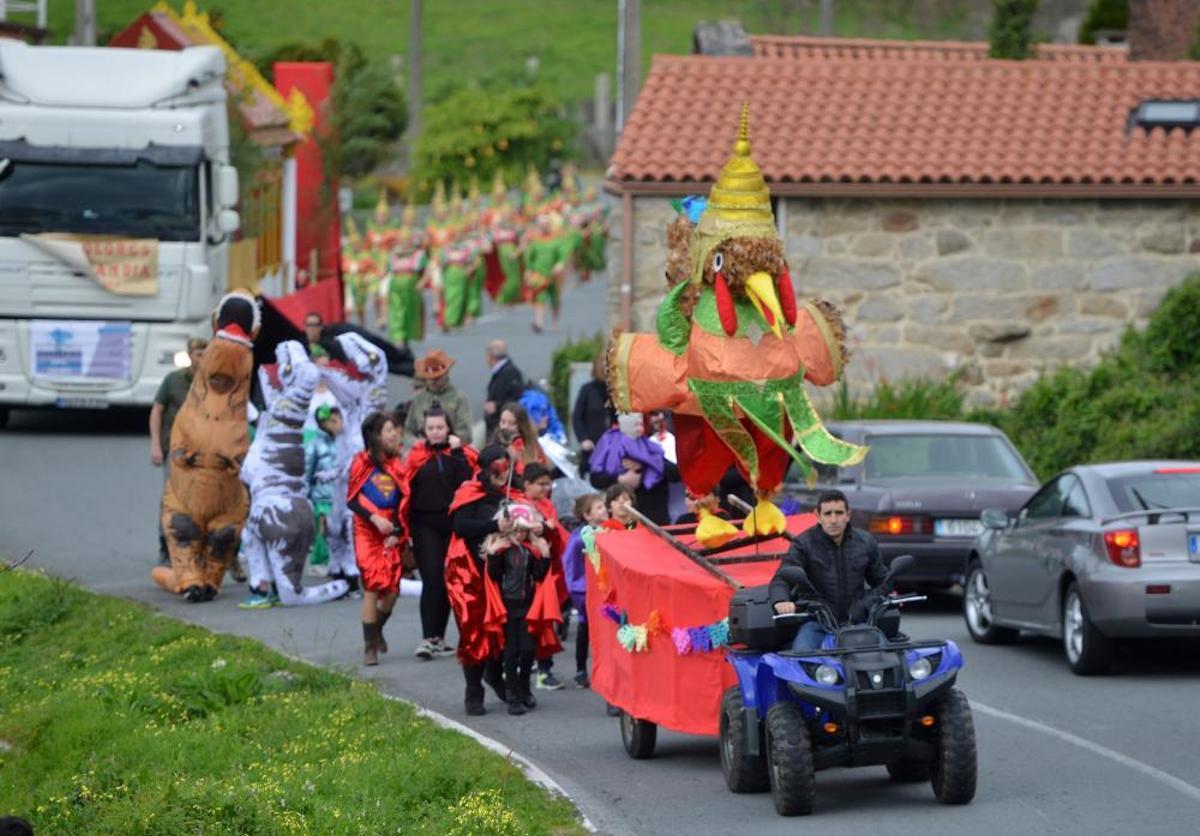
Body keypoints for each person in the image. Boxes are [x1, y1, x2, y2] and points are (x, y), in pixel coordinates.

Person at [238, 341, 349, 609]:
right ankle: (267, 586)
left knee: (290, 591)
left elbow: (248, 472)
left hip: (278, 513)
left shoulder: (277, 431)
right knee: (251, 534)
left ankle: (268, 588)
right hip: (299, 511)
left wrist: (292, 361)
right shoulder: (284, 434)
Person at [399, 406, 476, 660]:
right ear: (424, 430)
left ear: (449, 428)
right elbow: (404, 489)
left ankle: (442, 638)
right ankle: (429, 637)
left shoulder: (462, 453)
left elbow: (467, 483)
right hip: (424, 523)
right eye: (430, 428)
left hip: (454, 522)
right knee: (432, 579)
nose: (435, 432)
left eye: (440, 427)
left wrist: (457, 452)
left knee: (451, 579)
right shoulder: (416, 455)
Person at [769, 490, 888, 651]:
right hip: (816, 622)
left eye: (839, 513)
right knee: (801, 658)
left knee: (887, 655)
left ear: (848, 515)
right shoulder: (803, 544)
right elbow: (781, 579)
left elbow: (882, 582)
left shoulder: (866, 542)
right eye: (828, 513)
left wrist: (866, 604)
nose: (833, 520)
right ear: (818, 516)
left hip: (858, 622)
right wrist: (781, 600)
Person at [448, 445, 516, 715]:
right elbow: (460, 527)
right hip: (468, 572)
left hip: (499, 572)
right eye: (498, 468)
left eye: (507, 467)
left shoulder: (510, 492)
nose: (504, 473)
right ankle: (473, 691)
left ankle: (497, 677)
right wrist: (494, 526)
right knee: (474, 630)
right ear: (485, 469)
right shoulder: (470, 492)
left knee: (501, 627)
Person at [348, 411, 412, 665]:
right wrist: (374, 518)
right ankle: (369, 647)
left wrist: (396, 531)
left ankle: (376, 630)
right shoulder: (360, 462)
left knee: (393, 590)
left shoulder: (397, 464)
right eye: (388, 430)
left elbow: (403, 502)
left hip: (390, 531)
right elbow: (352, 499)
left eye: (394, 429)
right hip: (367, 529)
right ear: (375, 436)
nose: (394, 434)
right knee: (372, 586)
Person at [485, 502, 553, 715]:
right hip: (506, 606)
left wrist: (545, 555)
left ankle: (524, 687)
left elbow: (539, 575)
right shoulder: (501, 551)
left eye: (524, 530)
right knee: (511, 651)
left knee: (528, 649)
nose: (520, 534)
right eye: (517, 530)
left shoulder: (530, 551)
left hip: (527, 606)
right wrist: (492, 554)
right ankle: (513, 694)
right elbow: (494, 575)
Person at [149, 337, 206, 564]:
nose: (203, 359)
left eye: (206, 354)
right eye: (199, 354)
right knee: (171, 498)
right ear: (190, 355)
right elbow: (157, 411)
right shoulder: (173, 380)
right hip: (173, 449)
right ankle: (166, 544)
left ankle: (194, 547)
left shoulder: (210, 382)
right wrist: (156, 445)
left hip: (201, 451)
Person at [522, 463, 569, 691]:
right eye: (541, 484)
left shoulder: (547, 504)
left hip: (547, 567)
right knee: (530, 622)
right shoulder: (519, 506)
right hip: (526, 572)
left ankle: (543, 669)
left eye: (548, 484)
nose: (546, 488)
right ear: (527, 484)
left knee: (544, 619)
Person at [561, 492, 608, 688]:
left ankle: (606, 669)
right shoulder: (579, 537)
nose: (604, 510)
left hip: (606, 588)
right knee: (585, 628)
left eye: (603, 506)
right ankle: (581, 669)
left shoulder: (610, 530)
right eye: (599, 507)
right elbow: (570, 565)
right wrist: (577, 589)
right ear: (587, 515)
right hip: (586, 589)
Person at [404, 349, 473, 446]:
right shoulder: (418, 399)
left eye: (437, 378)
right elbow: (407, 431)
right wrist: (418, 443)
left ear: (446, 373)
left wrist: (444, 442)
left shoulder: (459, 398)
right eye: (429, 378)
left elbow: (466, 434)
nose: (433, 381)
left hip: (451, 450)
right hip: (423, 450)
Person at [304, 404, 342, 578]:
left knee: (338, 531)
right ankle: (319, 562)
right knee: (322, 531)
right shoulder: (315, 443)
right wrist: (305, 493)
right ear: (323, 423)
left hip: (340, 496)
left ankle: (338, 562)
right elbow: (307, 469)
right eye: (333, 420)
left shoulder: (343, 441)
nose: (338, 423)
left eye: (338, 419)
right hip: (321, 496)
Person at [571, 349, 614, 475]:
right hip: (591, 447)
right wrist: (583, 438)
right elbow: (576, 417)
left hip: (610, 447)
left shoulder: (614, 392)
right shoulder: (587, 390)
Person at [484, 340, 525, 435]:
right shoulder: (502, 371)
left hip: (502, 427)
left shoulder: (511, 372)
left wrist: (497, 406)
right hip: (498, 424)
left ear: (491, 356)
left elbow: (517, 398)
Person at [495, 402, 547, 474]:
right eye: (503, 422)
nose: (505, 427)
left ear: (522, 425)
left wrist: (517, 460)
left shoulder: (534, 447)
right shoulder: (494, 447)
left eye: (512, 423)